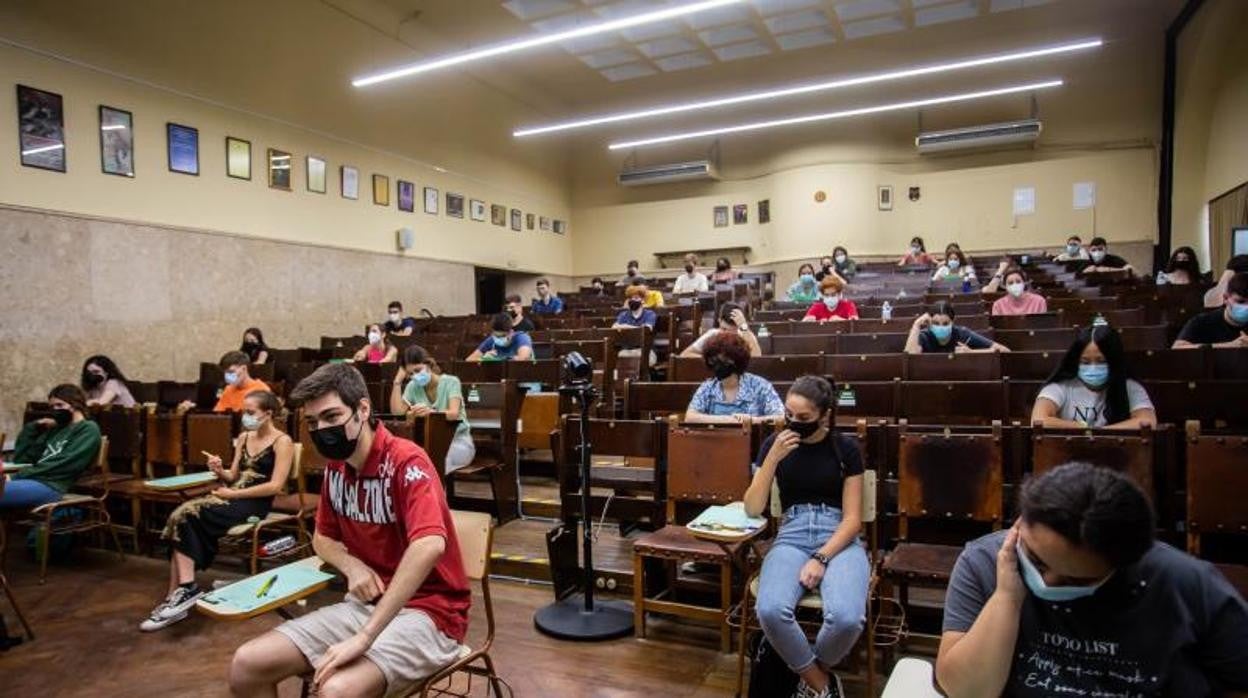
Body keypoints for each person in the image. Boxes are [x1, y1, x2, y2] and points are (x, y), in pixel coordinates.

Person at [228, 363, 470, 698]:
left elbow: (429, 544)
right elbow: (322, 538)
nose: (321, 429)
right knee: (247, 664)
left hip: (431, 614)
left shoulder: (406, 461)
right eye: (312, 422)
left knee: (337, 689)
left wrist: (366, 636)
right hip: (366, 604)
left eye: (331, 417)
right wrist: (351, 565)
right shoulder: (336, 471)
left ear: (363, 410)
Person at [936, 462, 1248, 697]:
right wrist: (1007, 596)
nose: (1048, 581)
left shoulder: (1184, 582)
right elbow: (965, 691)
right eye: (1037, 561)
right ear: (1020, 522)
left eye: (1075, 578)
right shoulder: (984, 561)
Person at [744, 376, 869, 698]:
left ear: (824, 415)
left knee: (846, 619)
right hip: (792, 531)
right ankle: (821, 684)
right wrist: (771, 458)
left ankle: (807, 676)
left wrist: (822, 557)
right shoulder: (774, 445)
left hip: (838, 535)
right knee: (770, 610)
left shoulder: (846, 448)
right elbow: (753, 507)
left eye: (803, 419)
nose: (793, 424)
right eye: (788, 415)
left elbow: (854, 519)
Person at [141, 390, 293, 631]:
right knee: (181, 517)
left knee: (185, 515)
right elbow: (233, 476)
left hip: (254, 502)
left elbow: (275, 485)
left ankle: (181, 594)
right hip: (233, 496)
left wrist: (234, 494)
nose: (246, 416)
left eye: (251, 412)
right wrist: (219, 470)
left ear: (268, 413)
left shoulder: (282, 441)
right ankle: (179, 594)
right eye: (245, 412)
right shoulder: (244, 437)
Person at [1031, 325, 1157, 429]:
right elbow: (1039, 420)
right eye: (1085, 362)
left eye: (1101, 361)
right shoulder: (1061, 386)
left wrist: (1102, 433)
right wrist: (1081, 428)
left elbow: (1147, 421)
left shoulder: (1129, 386)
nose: (1093, 367)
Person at [1, 384, 101, 510]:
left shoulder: (88, 429)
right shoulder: (56, 429)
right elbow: (23, 459)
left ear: (76, 405)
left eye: (60, 405)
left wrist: (15, 476)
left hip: (51, 485)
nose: (55, 410)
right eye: (52, 407)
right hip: (32, 481)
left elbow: (65, 463)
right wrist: (34, 427)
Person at [390, 345, 475, 475]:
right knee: (410, 460)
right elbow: (397, 412)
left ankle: (436, 495)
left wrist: (430, 412)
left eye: (418, 370)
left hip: (459, 442)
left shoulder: (451, 382)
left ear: (428, 364)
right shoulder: (413, 386)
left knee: (434, 462)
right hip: (430, 444)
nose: (415, 376)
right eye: (410, 374)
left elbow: (453, 414)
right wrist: (397, 382)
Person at [684, 332, 783, 424]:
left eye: (722, 360)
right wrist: (728, 420)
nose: (717, 365)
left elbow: (780, 417)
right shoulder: (708, 387)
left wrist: (752, 420)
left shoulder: (759, 385)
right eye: (713, 360)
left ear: (736, 360)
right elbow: (690, 417)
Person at [1174, 271, 1248, 349]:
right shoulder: (1202, 322)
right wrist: (1227, 346)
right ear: (1226, 298)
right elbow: (1177, 348)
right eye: (1241, 301)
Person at [905, 302, 1009, 354]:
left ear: (953, 322)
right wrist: (916, 325)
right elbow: (909, 357)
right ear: (929, 323)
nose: (941, 327)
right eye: (936, 323)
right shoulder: (923, 335)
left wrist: (971, 352)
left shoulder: (962, 333)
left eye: (945, 323)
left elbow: (1004, 350)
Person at [680, 302, 762, 358]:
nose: (728, 335)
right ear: (719, 321)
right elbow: (684, 354)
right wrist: (712, 361)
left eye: (733, 331)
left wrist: (744, 326)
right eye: (724, 329)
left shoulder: (745, 334)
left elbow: (757, 357)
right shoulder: (713, 334)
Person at [982, 263, 1048, 316]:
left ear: (1024, 283)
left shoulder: (1039, 301)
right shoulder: (998, 305)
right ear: (1005, 286)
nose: (1015, 285)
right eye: (1010, 283)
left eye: (1018, 281)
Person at [466, 312, 533, 362]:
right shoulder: (491, 340)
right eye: (496, 336)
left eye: (503, 336)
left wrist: (497, 359)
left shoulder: (522, 337)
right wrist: (483, 358)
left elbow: (523, 358)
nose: (499, 339)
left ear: (511, 332)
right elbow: (468, 360)